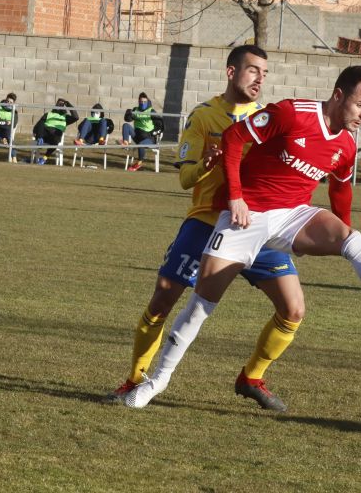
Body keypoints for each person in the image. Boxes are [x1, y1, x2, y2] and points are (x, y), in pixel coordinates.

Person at [125, 65, 361, 409]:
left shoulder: (346, 146)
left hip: (292, 215)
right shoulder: (292, 113)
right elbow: (233, 138)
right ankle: (157, 381)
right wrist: (236, 196)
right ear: (338, 95)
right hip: (246, 216)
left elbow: (340, 192)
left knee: (351, 243)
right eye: (360, 105)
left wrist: (342, 237)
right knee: (201, 305)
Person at [107, 44, 306, 412]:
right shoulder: (204, 117)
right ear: (231, 72)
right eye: (252, 70)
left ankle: (251, 377)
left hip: (257, 224)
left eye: (264, 72)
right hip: (206, 222)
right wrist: (208, 165)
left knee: (293, 309)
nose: (260, 78)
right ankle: (135, 379)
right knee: (162, 300)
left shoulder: (270, 119)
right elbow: (185, 178)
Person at [121, 92, 163, 171]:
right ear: (139, 102)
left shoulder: (151, 111)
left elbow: (160, 124)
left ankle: (139, 163)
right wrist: (129, 113)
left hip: (149, 138)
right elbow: (127, 119)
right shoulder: (135, 110)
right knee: (126, 125)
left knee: (141, 144)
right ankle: (125, 143)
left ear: (147, 102)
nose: (142, 103)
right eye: (141, 102)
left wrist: (155, 132)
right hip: (137, 136)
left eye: (144, 102)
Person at [33, 98, 78, 164]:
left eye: (62, 104)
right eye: (59, 103)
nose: (60, 105)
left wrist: (68, 104)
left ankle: (44, 158)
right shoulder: (48, 114)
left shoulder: (66, 117)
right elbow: (37, 126)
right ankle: (40, 139)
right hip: (44, 134)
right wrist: (36, 133)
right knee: (41, 123)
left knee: (56, 139)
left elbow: (76, 117)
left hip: (55, 135)